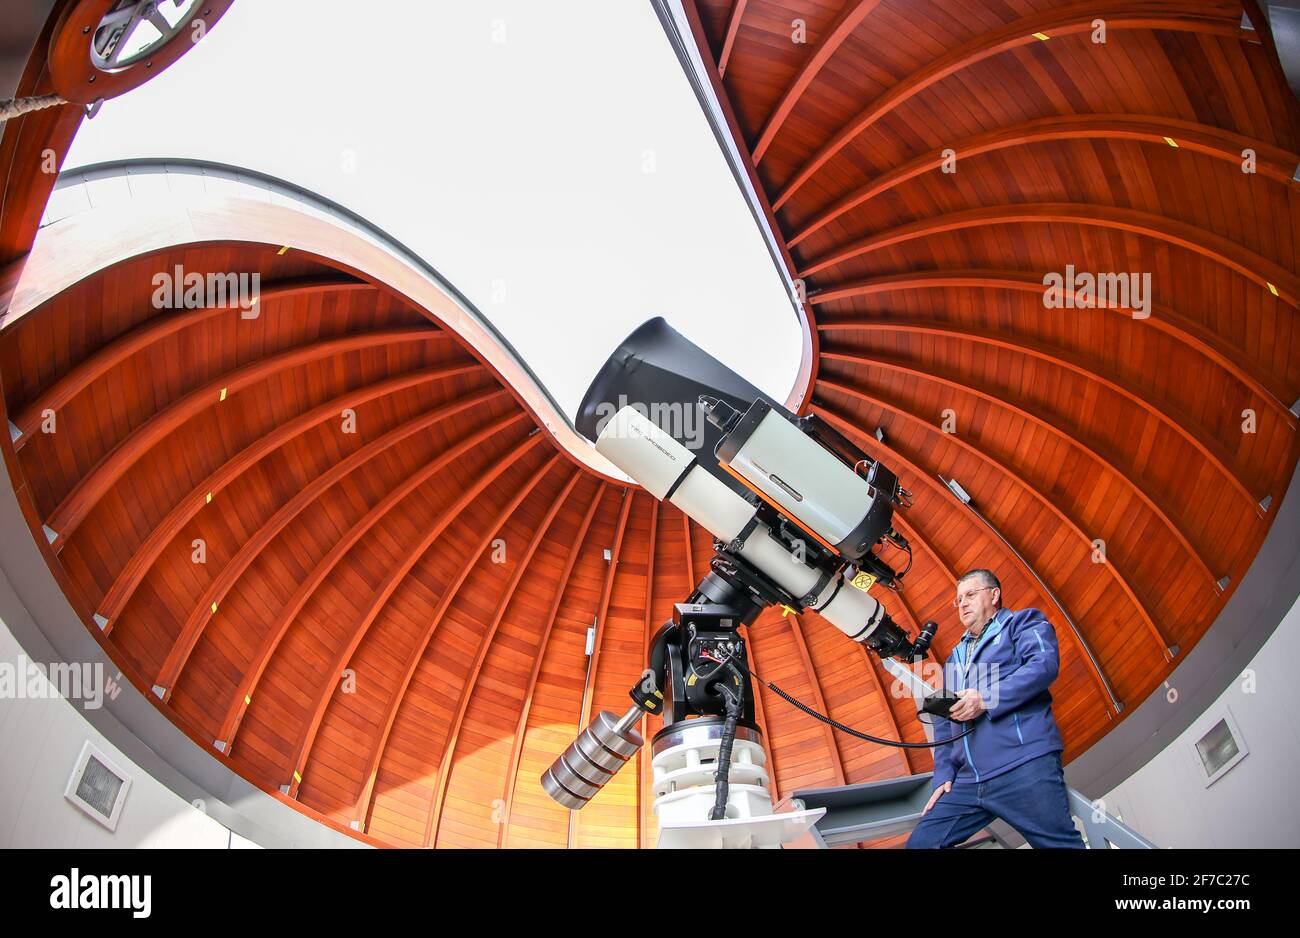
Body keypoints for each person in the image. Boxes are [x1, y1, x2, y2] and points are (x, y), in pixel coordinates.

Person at [905, 569, 1085, 848]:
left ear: (994, 594)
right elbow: (943, 721)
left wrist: (985, 699)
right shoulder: (954, 658)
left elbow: (1042, 666)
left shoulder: (1022, 623)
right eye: (958, 600)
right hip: (968, 782)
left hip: (1022, 766)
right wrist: (943, 773)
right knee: (922, 844)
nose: (962, 603)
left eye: (970, 595)